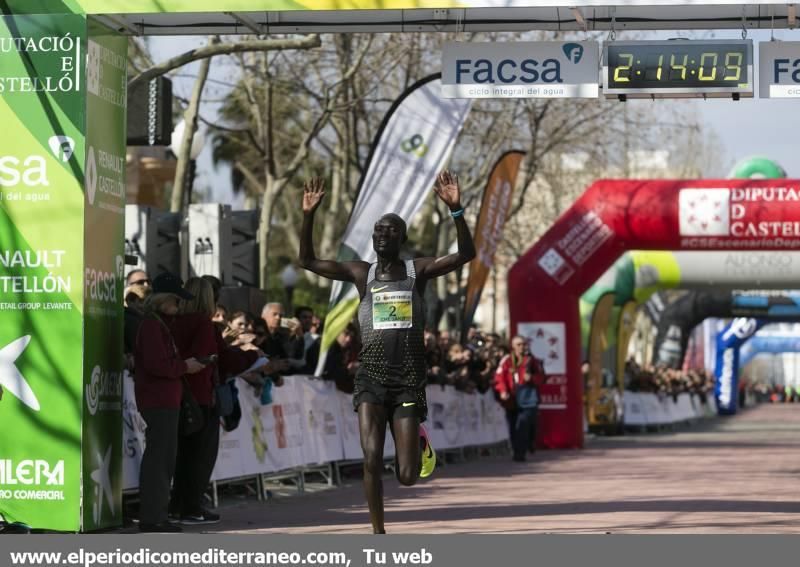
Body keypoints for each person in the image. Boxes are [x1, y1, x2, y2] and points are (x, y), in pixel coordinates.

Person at [298, 171, 475, 534]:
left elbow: (466, 254)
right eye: (378, 229)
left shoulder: (417, 270)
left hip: (408, 380)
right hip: (371, 379)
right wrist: (309, 215)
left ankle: (415, 441)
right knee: (371, 459)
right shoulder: (361, 274)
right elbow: (308, 262)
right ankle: (379, 534)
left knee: (408, 476)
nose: (382, 233)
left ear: (402, 238)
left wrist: (456, 211)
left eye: (391, 230)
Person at [133, 272, 206, 533]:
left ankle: (157, 514)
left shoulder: (158, 324)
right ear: (164, 299)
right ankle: (153, 517)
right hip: (158, 399)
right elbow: (156, 365)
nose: (178, 305)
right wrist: (184, 366)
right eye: (176, 300)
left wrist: (181, 366)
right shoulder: (152, 326)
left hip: (165, 399)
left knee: (164, 459)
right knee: (159, 460)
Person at [493, 336, 541, 462]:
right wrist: (503, 391)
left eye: (524, 344)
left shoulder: (532, 360)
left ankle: (521, 452)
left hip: (527, 398)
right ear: (513, 346)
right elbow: (499, 377)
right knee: (513, 426)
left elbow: (542, 377)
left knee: (524, 424)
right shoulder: (507, 360)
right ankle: (517, 449)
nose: (522, 347)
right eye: (518, 344)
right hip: (512, 400)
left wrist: (531, 378)